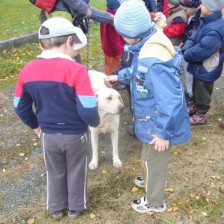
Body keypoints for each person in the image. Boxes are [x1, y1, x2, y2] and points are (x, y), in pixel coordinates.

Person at [105, 0, 190, 213]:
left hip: (159, 122)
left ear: (131, 32)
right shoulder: (146, 42)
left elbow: (170, 100)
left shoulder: (153, 60)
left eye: (122, 33)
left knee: (155, 161)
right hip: (149, 118)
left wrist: (163, 133)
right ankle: (147, 177)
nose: (122, 38)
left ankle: (154, 201)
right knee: (148, 154)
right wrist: (120, 75)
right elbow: (137, 71)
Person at [13, 17, 103, 220]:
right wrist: (97, 122)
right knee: (77, 169)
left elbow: (19, 106)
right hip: (75, 134)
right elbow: (88, 107)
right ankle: (75, 207)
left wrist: (35, 126)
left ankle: (55, 207)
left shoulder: (27, 70)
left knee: (54, 170)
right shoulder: (77, 71)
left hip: (48, 135)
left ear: (40, 44)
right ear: (70, 41)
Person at [182, 0, 224, 125]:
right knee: (196, 86)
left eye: (204, 4)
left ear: (211, 8)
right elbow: (193, 37)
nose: (200, 6)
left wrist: (186, 54)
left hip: (207, 66)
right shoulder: (205, 20)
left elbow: (203, 50)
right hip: (198, 65)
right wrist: (186, 47)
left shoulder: (215, 29)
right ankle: (195, 106)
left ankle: (201, 114)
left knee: (203, 89)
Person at [179, 0, 201, 107]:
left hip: (193, 52)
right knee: (188, 74)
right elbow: (189, 32)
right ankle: (190, 94)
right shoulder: (192, 15)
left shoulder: (200, 18)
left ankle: (192, 97)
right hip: (188, 48)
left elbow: (196, 36)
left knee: (191, 75)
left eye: (185, 8)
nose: (183, 10)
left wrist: (188, 49)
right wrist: (184, 41)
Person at [100, 0, 124, 76]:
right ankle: (111, 84)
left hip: (106, 46)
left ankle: (108, 79)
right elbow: (114, 38)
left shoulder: (105, 16)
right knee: (114, 69)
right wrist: (118, 51)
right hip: (113, 50)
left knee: (108, 66)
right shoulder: (113, 20)